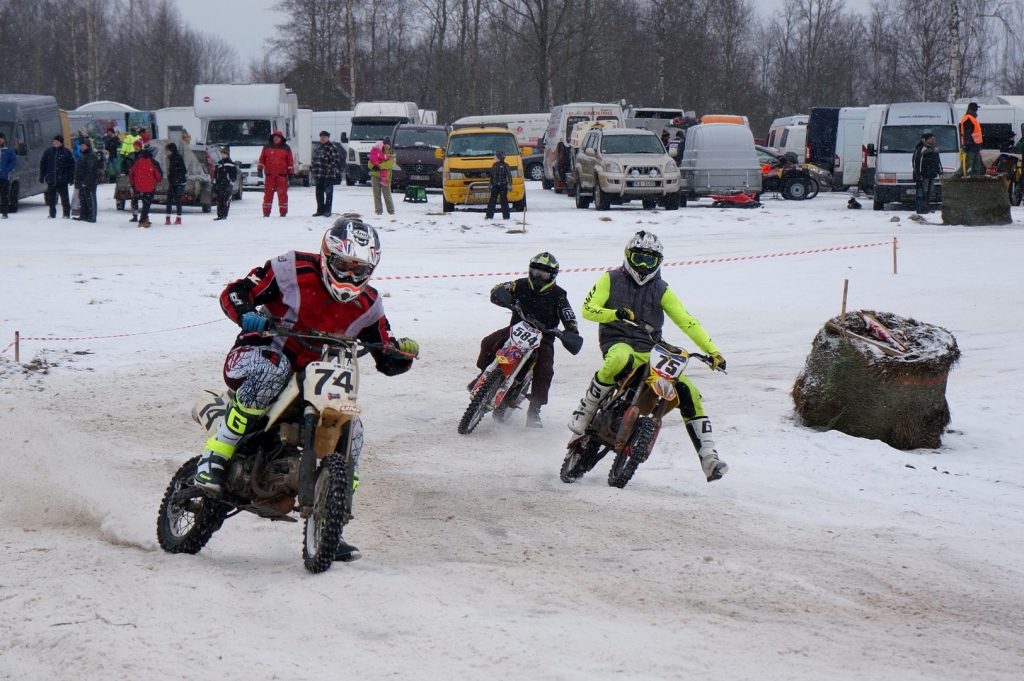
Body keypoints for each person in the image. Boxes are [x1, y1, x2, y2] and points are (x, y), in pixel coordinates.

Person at [194, 219, 419, 561]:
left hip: (317, 379)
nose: (349, 275)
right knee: (275, 370)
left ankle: (331, 523)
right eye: (343, 265)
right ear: (327, 256)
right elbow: (236, 292)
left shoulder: (369, 303)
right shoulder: (291, 269)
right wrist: (247, 316)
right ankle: (218, 453)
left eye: (359, 269)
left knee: (354, 430)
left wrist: (400, 354)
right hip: (260, 354)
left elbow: (383, 350)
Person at [567, 231, 729, 482]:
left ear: (659, 262)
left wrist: (713, 352)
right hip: (618, 340)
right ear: (628, 256)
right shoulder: (610, 278)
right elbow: (588, 310)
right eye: (639, 258)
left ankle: (708, 456)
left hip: (650, 347)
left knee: (688, 390)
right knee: (619, 359)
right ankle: (586, 409)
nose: (643, 265)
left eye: (650, 260)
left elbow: (686, 320)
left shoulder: (661, 289)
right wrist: (614, 314)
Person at [473, 253, 579, 428]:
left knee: (545, 369)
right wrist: (506, 298)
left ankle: (535, 410)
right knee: (488, 342)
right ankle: (483, 374)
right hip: (517, 328)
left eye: (543, 275)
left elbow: (570, 318)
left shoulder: (559, 296)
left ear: (552, 276)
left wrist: (570, 331)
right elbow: (498, 288)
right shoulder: (519, 284)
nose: (538, 277)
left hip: (543, 337)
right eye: (536, 272)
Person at [257, 130, 294, 217]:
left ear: (281, 138)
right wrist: (259, 169)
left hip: (282, 176)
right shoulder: (266, 147)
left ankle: (283, 212)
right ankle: (266, 212)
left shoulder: (286, 148)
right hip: (270, 176)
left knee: (282, 194)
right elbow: (262, 159)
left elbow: (290, 162)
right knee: (268, 195)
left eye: (278, 137)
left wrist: (291, 172)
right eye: (275, 137)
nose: (276, 139)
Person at [39, 135, 75, 219]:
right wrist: (42, 175)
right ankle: (52, 214)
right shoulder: (48, 152)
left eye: (57, 142)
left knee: (64, 198)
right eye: (54, 141)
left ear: (61, 143)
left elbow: (71, 166)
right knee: (51, 199)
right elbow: (43, 164)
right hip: (51, 179)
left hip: (62, 179)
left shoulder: (66, 152)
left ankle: (66, 214)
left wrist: (71, 177)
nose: (55, 143)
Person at [128, 145, 162, 228]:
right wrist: (158, 180)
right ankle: (142, 221)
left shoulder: (138, 161)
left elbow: (131, 173)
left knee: (144, 202)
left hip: (139, 186)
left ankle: (145, 219)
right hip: (150, 187)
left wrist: (133, 183)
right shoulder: (153, 162)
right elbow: (158, 175)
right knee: (147, 204)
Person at [311, 130, 342, 217]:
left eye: (324, 136)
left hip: (328, 175)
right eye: (321, 136)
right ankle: (320, 210)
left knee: (328, 194)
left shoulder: (332, 147)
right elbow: (314, 160)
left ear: (328, 138)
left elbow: (335, 160)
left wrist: (329, 169)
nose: (323, 138)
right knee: (319, 194)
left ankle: (327, 211)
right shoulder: (318, 148)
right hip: (318, 175)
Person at [912, 133, 942, 214]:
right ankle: (921, 209)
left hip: (932, 174)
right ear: (925, 140)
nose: (933, 140)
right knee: (922, 192)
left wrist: (940, 171)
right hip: (923, 175)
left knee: (930, 192)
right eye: (931, 139)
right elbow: (916, 163)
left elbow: (938, 162)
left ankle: (926, 207)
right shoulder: (921, 149)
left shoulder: (935, 149)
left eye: (934, 139)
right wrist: (918, 174)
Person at [74, 138, 101, 222]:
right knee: (83, 199)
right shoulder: (84, 156)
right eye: (81, 145)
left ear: (88, 146)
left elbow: (91, 170)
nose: (82, 147)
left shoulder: (91, 156)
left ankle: (91, 216)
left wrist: (87, 182)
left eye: (83, 145)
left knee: (90, 199)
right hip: (82, 182)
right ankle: (84, 215)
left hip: (89, 183)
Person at [368, 137, 396, 216]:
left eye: (388, 144)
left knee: (387, 194)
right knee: (376, 194)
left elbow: (390, 164)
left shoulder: (392, 153)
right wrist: (373, 166)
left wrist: (379, 166)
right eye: (385, 144)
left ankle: (391, 211)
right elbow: (370, 162)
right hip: (375, 176)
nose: (386, 146)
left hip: (386, 177)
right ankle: (378, 211)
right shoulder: (377, 151)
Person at [164, 142, 187, 225]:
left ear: (172, 150)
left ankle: (178, 218)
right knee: (169, 200)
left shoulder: (178, 158)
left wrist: (176, 177)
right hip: (172, 182)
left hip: (179, 183)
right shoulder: (169, 158)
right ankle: (167, 218)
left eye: (168, 150)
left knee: (178, 200)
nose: (167, 152)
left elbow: (183, 170)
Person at [485, 150, 512, 220]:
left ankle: (506, 216)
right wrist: (490, 183)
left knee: (504, 201)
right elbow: (491, 175)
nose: (494, 157)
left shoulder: (505, 165)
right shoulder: (494, 165)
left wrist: (509, 184)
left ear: (499, 157)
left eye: (496, 156)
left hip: (503, 185)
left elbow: (509, 175)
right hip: (495, 185)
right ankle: (489, 215)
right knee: (492, 200)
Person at [959, 102, 984, 177]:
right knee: (966, 166)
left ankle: (973, 183)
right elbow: (967, 134)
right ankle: (952, 181)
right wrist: (968, 144)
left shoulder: (972, 118)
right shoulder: (969, 118)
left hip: (976, 147)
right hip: (971, 147)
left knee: (977, 167)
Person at [213, 147, 237, 221]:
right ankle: (219, 215)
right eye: (222, 154)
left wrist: (231, 182)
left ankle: (224, 214)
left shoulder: (231, 164)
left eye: (224, 154)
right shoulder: (219, 163)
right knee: (219, 199)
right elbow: (215, 174)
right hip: (219, 184)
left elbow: (233, 175)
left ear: (227, 154)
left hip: (227, 184)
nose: (223, 155)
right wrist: (215, 182)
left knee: (225, 199)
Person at [0, 132, 18, 219]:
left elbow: (13, 161)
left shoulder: (8, 150)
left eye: (1, 138)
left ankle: (4, 212)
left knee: (4, 195)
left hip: (4, 177)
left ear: (4, 139)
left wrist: (7, 170)